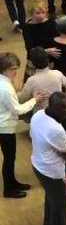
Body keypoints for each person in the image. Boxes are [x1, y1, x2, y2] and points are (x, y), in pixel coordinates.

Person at [30, 91, 66, 225]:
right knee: (61, 205)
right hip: (52, 172)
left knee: (51, 200)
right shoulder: (56, 130)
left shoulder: (39, 115)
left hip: (38, 164)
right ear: (55, 108)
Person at [0, 53, 43, 199]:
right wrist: (34, 100)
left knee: (10, 158)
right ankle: (9, 189)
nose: (16, 72)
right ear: (5, 68)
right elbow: (18, 109)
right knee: (9, 159)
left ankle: (12, 183)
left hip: (4, 125)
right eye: (13, 68)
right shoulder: (5, 87)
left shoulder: (4, 82)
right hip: (5, 128)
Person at [18, 47, 66, 113]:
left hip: (40, 114)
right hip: (58, 112)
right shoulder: (57, 73)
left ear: (32, 63)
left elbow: (22, 100)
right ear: (48, 60)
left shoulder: (31, 80)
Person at [22, 1, 60, 74]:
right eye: (38, 13)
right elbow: (30, 49)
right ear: (31, 14)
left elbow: (57, 40)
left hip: (51, 58)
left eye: (43, 12)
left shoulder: (51, 23)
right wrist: (46, 51)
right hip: (35, 60)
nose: (41, 16)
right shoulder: (27, 27)